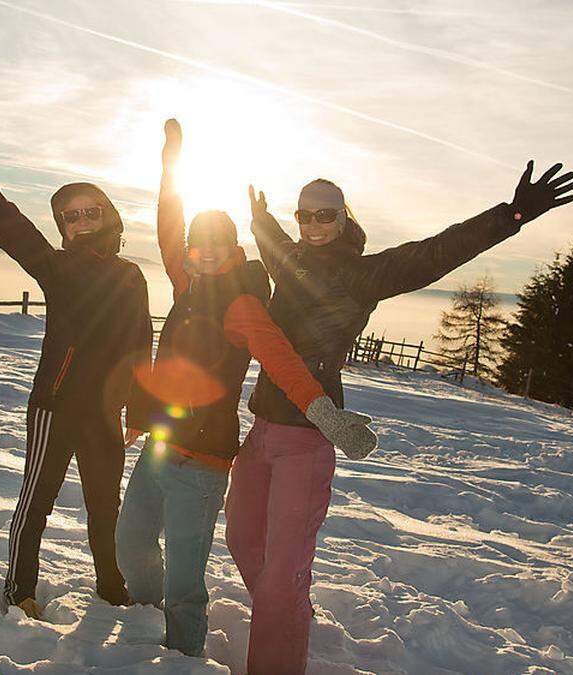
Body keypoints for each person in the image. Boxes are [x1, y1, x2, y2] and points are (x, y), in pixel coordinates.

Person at [231, 163, 573, 673]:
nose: (312, 225)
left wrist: (514, 213)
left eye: (324, 215)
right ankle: (287, 613)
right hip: (262, 426)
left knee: (282, 574)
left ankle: (278, 651)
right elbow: (274, 243)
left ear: (343, 216)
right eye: (303, 215)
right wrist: (261, 220)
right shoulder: (292, 259)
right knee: (242, 542)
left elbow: (437, 252)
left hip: (309, 434)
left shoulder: (365, 273)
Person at [115, 120, 375, 658]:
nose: (204, 253)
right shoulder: (185, 283)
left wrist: (328, 417)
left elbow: (282, 362)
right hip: (160, 446)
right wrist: (170, 167)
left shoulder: (241, 304)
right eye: (196, 245)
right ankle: (144, 629)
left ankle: (181, 655)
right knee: (131, 546)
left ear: (233, 247)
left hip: (203, 460)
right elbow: (169, 223)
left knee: (184, 580)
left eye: (217, 244)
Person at [0, 152, 152, 620]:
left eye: (89, 212)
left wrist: (138, 408)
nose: (79, 222)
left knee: (104, 505)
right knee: (36, 502)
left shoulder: (130, 276)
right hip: (54, 407)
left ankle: (111, 587)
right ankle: (19, 591)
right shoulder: (55, 267)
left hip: (104, 413)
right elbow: (6, 222)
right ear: (61, 226)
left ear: (108, 215)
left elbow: (140, 341)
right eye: (69, 216)